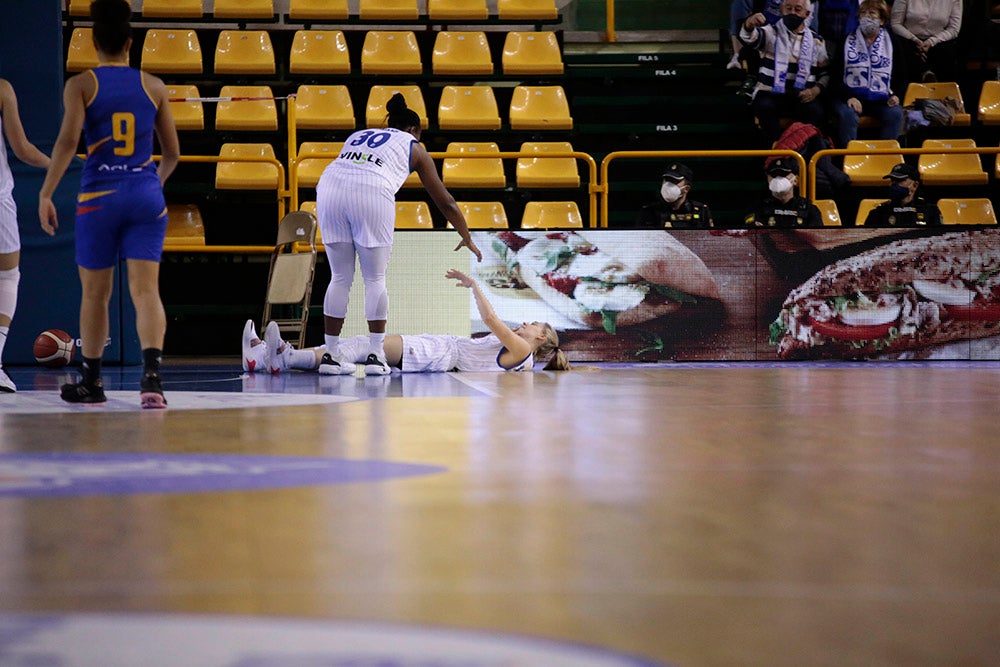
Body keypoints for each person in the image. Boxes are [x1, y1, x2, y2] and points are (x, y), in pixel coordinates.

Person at [38, 0, 179, 407]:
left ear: (94, 42)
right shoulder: (153, 86)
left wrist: (46, 192)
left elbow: (67, 144)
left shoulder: (81, 84)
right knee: (146, 292)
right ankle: (152, 382)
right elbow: (172, 153)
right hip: (144, 194)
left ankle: (92, 382)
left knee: (95, 295)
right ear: (130, 43)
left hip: (100, 195)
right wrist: (153, 184)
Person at [315, 93, 482, 378]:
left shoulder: (358, 135)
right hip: (371, 191)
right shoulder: (414, 146)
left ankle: (331, 355)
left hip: (329, 188)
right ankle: (376, 355)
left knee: (340, 277)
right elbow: (445, 202)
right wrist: (465, 234)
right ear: (414, 130)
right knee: (375, 279)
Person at [241, 269, 570, 374]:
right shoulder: (523, 352)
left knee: (360, 345)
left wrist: (473, 285)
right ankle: (273, 355)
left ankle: (286, 359)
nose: (527, 324)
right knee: (354, 344)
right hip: (441, 349)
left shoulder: (523, 352)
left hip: (441, 353)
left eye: (534, 325)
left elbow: (490, 317)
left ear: (540, 338)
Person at [0, 80, 51, 393]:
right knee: (6, 277)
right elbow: (23, 149)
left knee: (7, 276)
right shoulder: (2, 88)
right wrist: (59, 164)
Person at [739, 0, 831, 145]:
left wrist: (815, 90)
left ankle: (806, 154)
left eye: (797, 9)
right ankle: (776, 154)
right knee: (764, 107)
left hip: (801, 94)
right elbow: (749, 38)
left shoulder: (817, 41)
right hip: (770, 93)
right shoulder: (770, 32)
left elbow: (825, 73)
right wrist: (749, 24)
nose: (793, 13)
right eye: (789, 8)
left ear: (807, 14)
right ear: (782, 10)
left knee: (816, 111)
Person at [831, 0, 906, 149]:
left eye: (872, 14)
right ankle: (850, 160)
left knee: (896, 114)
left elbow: (902, 75)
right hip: (849, 97)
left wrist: (897, 94)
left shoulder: (893, 42)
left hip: (880, 98)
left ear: (882, 20)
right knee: (848, 115)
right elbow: (835, 76)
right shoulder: (846, 40)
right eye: (863, 14)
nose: (867, 18)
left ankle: (883, 158)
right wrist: (848, 97)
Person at [890, 0, 963, 84]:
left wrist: (932, 41)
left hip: (938, 40)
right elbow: (896, 24)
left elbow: (954, 29)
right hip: (908, 38)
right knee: (901, 46)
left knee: (947, 51)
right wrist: (914, 40)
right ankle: (923, 73)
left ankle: (940, 89)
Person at [744, 156, 823, 227]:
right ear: (768, 179)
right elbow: (754, 232)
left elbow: (817, 236)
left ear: (795, 180)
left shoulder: (808, 208)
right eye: (774, 175)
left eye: (783, 174)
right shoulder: (757, 207)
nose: (778, 178)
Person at [635, 162, 714, 228]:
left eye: (674, 181)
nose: (668, 185)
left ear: (686, 188)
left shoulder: (701, 211)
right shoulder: (650, 212)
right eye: (666, 180)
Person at [863, 162, 942, 227]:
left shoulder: (930, 211)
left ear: (915, 185)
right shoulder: (878, 212)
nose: (894, 184)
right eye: (892, 180)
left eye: (899, 180)